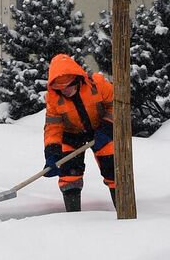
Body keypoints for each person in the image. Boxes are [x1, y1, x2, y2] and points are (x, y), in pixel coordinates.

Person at [40, 53, 116, 212]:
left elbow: (117, 105)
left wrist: (107, 127)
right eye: (60, 89)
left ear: (77, 79)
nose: (65, 91)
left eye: (68, 86)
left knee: (114, 169)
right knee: (69, 175)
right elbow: (53, 128)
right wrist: (52, 153)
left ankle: (123, 208)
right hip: (71, 136)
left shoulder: (98, 85)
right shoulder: (54, 100)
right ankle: (73, 218)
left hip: (101, 131)